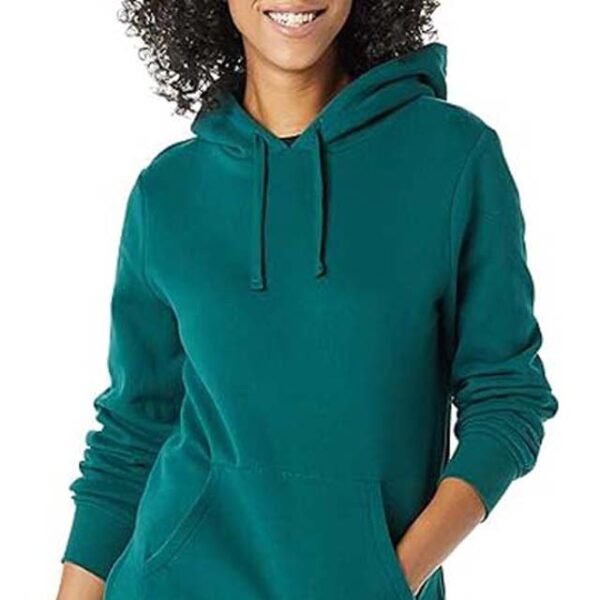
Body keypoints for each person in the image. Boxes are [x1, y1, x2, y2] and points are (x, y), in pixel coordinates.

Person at [56, 1, 560, 599]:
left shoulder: (452, 157)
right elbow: (134, 430)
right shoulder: (167, 192)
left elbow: (507, 399)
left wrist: (390, 579)